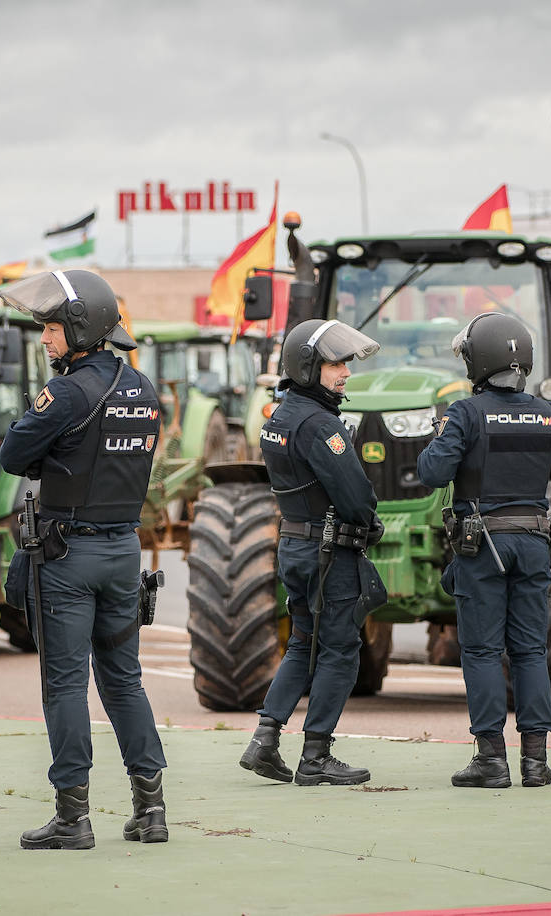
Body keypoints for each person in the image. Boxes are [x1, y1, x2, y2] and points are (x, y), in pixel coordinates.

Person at [0, 269, 167, 850]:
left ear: (79, 326)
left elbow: (13, 455)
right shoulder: (143, 388)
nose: (44, 339)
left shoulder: (67, 392)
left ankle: (72, 817)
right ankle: (152, 809)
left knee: (65, 684)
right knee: (125, 681)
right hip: (123, 552)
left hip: (67, 555)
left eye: (50, 327)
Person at [416, 312, 551, 788]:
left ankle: (491, 759)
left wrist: (440, 435)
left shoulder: (464, 413)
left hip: (483, 546)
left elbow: (432, 472)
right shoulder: (549, 412)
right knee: (530, 651)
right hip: (535, 543)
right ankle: (536, 762)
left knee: (480, 651)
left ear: (479, 361)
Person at [239, 318, 383, 787]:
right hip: (329, 554)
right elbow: (357, 497)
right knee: (340, 650)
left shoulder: (279, 417)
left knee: (303, 641)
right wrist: (369, 522)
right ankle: (316, 755)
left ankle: (265, 738)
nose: (344, 373)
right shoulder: (322, 425)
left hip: (294, 547)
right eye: (334, 363)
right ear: (308, 367)